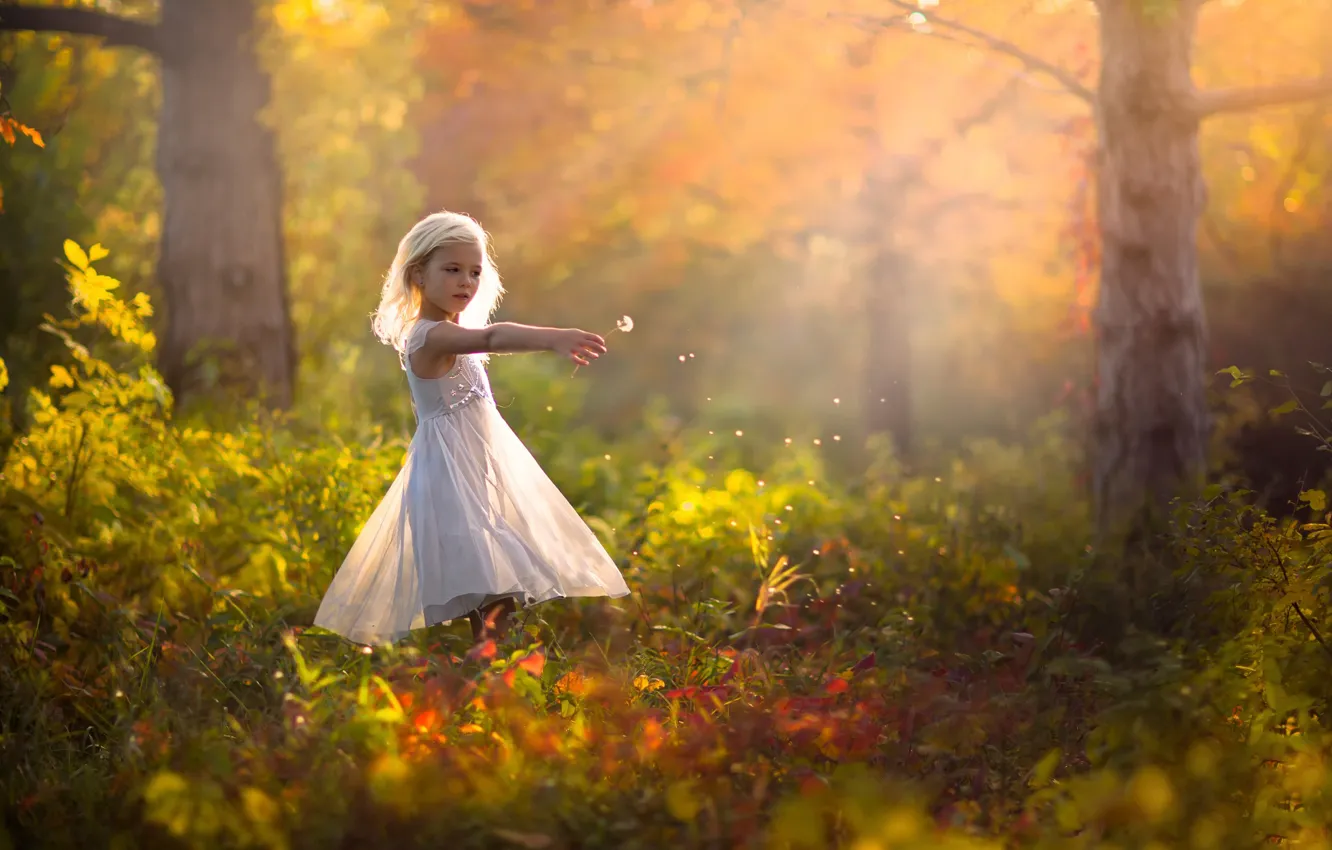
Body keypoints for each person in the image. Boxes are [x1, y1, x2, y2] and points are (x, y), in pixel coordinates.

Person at [314, 211, 631, 645]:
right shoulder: (428, 337)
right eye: (452, 270)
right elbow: (495, 337)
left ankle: (483, 692)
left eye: (475, 272)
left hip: (479, 480)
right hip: (449, 486)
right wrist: (553, 338)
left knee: (495, 608)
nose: (466, 281)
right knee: (493, 603)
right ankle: (478, 691)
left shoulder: (452, 334)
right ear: (418, 275)